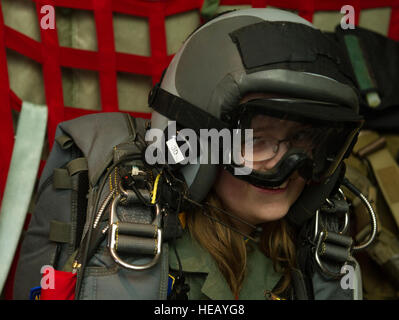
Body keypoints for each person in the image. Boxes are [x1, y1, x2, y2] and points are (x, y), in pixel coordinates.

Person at [147, 8, 368, 300]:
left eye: (301, 137)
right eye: (257, 139)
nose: (287, 164)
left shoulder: (319, 255)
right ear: (191, 141)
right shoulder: (148, 260)